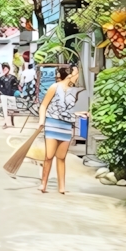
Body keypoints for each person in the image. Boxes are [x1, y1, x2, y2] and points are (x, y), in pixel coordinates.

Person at [35, 64, 82, 194]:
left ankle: (62, 186)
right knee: (49, 156)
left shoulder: (76, 91)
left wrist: (82, 113)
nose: (78, 77)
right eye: (76, 74)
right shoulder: (54, 87)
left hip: (67, 126)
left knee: (61, 157)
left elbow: (76, 110)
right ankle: (43, 183)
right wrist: (41, 121)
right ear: (69, 75)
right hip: (52, 124)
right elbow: (43, 106)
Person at [0, 62, 19, 129]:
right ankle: (6, 123)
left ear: (9, 69)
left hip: (11, 96)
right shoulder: (1, 78)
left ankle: (12, 123)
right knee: (5, 110)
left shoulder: (13, 78)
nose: (5, 70)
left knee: (12, 110)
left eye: (6, 68)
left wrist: (14, 92)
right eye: (3, 68)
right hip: (4, 95)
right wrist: (2, 93)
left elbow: (16, 86)